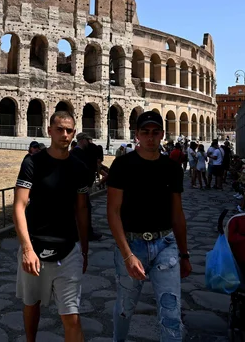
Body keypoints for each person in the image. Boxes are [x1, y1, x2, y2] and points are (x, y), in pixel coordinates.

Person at [107, 110, 190, 341]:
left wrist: (185, 254)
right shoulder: (122, 165)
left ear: (162, 134)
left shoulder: (171, 168)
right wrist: (127, 255)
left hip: (165, 244)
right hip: (131, 243)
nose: (150, 137)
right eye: (145, 132)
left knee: (171, 310)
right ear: (137, 135)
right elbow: (113, 212)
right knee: (125, 308)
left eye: (155, 132)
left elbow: (177, 213)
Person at [13, 111, 91, 342]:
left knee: (72, 316)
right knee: (31, 304)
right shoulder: (32, 162)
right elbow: (19, 206)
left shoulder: (79, 167)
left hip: (68, 250)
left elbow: (82, 210)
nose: (64, 134)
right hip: (35, 246)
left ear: (74, 133)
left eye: (69, 130)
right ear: (49, 131)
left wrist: (84, 249)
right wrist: (26, 249)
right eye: (59, 129)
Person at [70, 132, 103, 241]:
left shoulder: (78, 152)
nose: (91, 143)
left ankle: (81, 231)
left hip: (79, 186)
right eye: (89, 141)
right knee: (85, 209)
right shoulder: (78, 153)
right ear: (83, 140)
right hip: (79, 187)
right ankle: (87, 233)